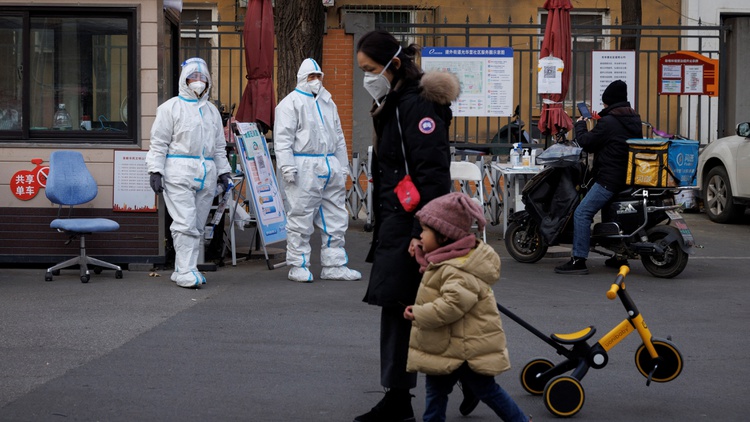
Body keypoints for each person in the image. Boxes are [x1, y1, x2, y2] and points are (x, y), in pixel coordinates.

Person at [354, 29, 460, 422]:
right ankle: (464, 380)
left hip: (411, 223)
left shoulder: (414, 107)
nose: (366, 76)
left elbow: (432, 173)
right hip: (398, 220)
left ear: (393, 65)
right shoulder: (395, 102)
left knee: (403, 307)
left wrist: (425, 232)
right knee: (409, 306)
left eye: (370, 69)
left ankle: (400, 400)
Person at [404, 192, 528, 422]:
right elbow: (434, 273)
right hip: (448, 345)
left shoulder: (457, 270)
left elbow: (451, 306)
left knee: (485, 390)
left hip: (466, 348)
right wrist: (423, 250)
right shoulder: (448, 260)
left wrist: (419, 314)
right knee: (437, 391)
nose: (420, 235)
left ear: (443, 236)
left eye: (424, 230)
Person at [146, 57, 232, 288]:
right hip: (178, 172)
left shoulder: (212, 111)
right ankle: (185, 270)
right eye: (193, 77)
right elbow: (159, 142)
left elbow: (219, 146)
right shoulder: (170, 108)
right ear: (184, 80)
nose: (198, 81)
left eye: (202, 78)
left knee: (195, 225)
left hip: (206, 173)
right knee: (184, 222)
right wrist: (155, 169)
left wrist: (224, 171)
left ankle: (187, 268)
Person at [274, 58, 361, 283]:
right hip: (303, 166)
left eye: (318, 76)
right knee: (300, 217)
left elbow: (339, 138)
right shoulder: (290, 104)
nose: (316, 81)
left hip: (329, 164)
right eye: (311, 77)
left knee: (335, 217)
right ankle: (298, 265)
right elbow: (282, 140)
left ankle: (334, 265)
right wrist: (287, 167)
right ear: (302, 79)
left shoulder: (327, 102)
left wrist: (343, 166)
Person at [555, 80, 643, 275]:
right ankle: (619, 255)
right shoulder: (633, 118)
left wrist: (580, 126)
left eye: (604, 103)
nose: (603, 107)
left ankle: (578, 260)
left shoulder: (609, 122)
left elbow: (586, 143)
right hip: (626, 176)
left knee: (582, 213)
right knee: (613, 216)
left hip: (609, 179)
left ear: (610, 102)